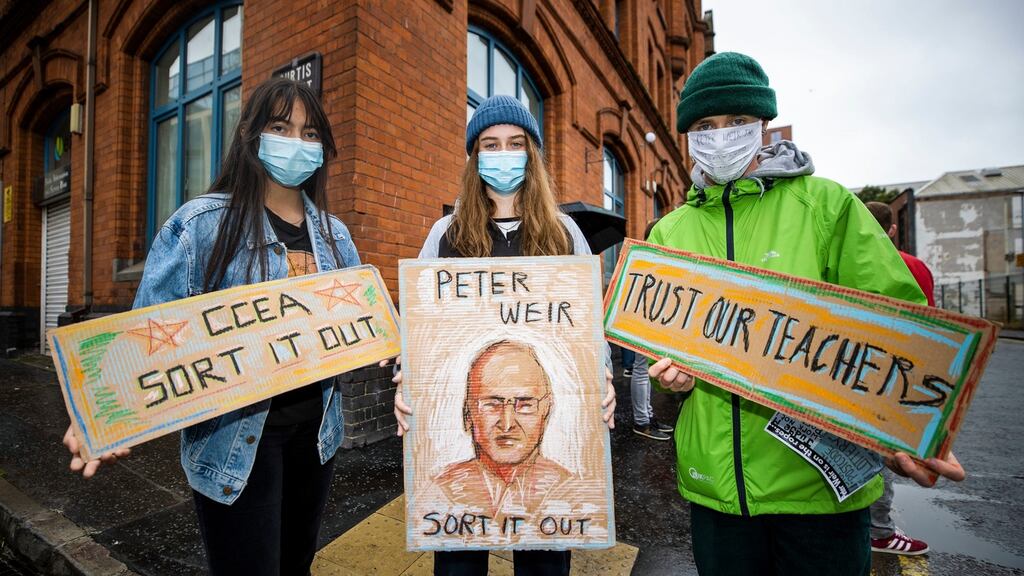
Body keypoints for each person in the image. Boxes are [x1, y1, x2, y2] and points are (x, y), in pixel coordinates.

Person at [645, 52, 966, 575]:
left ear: (763, 125)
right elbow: (656, 356)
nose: (721, 136)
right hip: (715, 492)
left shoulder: (827, 207)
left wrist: (910, 428)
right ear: (689, 134)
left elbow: (902, 328)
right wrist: (670, 382)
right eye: (706, 125)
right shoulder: (668, 233)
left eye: (737, 122)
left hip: (820, 493)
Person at [62, 77, 359, 576]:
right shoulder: (199, 226)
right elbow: (142, 338)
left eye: (310, 134)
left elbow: (360, 321)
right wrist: (101, 412)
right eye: (281, 127)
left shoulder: (336, 235)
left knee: (296, 565)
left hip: (318, 435)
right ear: (252, 136)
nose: (297, 143)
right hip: (237, 444)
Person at [392, 94, 616, 576]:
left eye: (515, 143)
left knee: (544, 567)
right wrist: (404, 380)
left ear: (532, 154)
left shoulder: (564, 234)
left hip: (549, 497)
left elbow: (587, 329)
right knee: (458, 568)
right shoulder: (444, 234)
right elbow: (420, 328)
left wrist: (603, 379)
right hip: (452, 470)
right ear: (474, 160)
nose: (503, 154)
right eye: (489, 145)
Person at [431, 340, 573, 516]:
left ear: (546, 411)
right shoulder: (438, 491)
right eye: (491, 404)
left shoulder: (571, 490)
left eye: (525, 405)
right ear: (468, 415)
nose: (507, 424)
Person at [864, 200, 934, 555]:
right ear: (892, 229)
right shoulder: (912, 267)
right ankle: (879, 530)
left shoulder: (840, 262)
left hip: (855, 372)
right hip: (894, 377)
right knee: (884, 454)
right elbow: (928, 331)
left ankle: (871, 524)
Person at [630, 218, 674, 441]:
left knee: (645, 371)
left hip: (654, 321)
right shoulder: (646, 258)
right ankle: (642, 422)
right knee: (641, 370)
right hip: (643, 320)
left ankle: (647, 415)